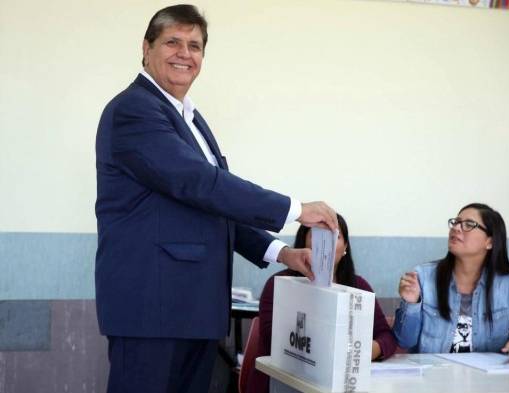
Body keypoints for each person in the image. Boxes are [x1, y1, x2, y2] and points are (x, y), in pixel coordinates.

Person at [95, 5, 338, 393]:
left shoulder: (188, 118)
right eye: (172, 42)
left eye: (195, 46)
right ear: (146, 47)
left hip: (194, 309)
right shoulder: (134, 110)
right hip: (152, 310)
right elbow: (200, 183)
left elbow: (211, 203)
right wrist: (294, 209)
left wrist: (281, 253)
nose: (184, 54)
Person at [247, 214, 397, 393]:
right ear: (304, 243)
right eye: (319, 235)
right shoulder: (281, 283)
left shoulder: (359, 287)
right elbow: (273, 337)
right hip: (285, 382)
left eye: (336, 236)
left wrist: (371, 350)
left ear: (346, 247)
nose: (328, 243)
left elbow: (386, 336)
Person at [393, 203, 509, 365]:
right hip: (433, 379)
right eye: (456, 222)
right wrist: (411, 304)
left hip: (486, 382)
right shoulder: (423, 277)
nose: (456, 228)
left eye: (468, 225)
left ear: (490, 242)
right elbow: (404, 341)